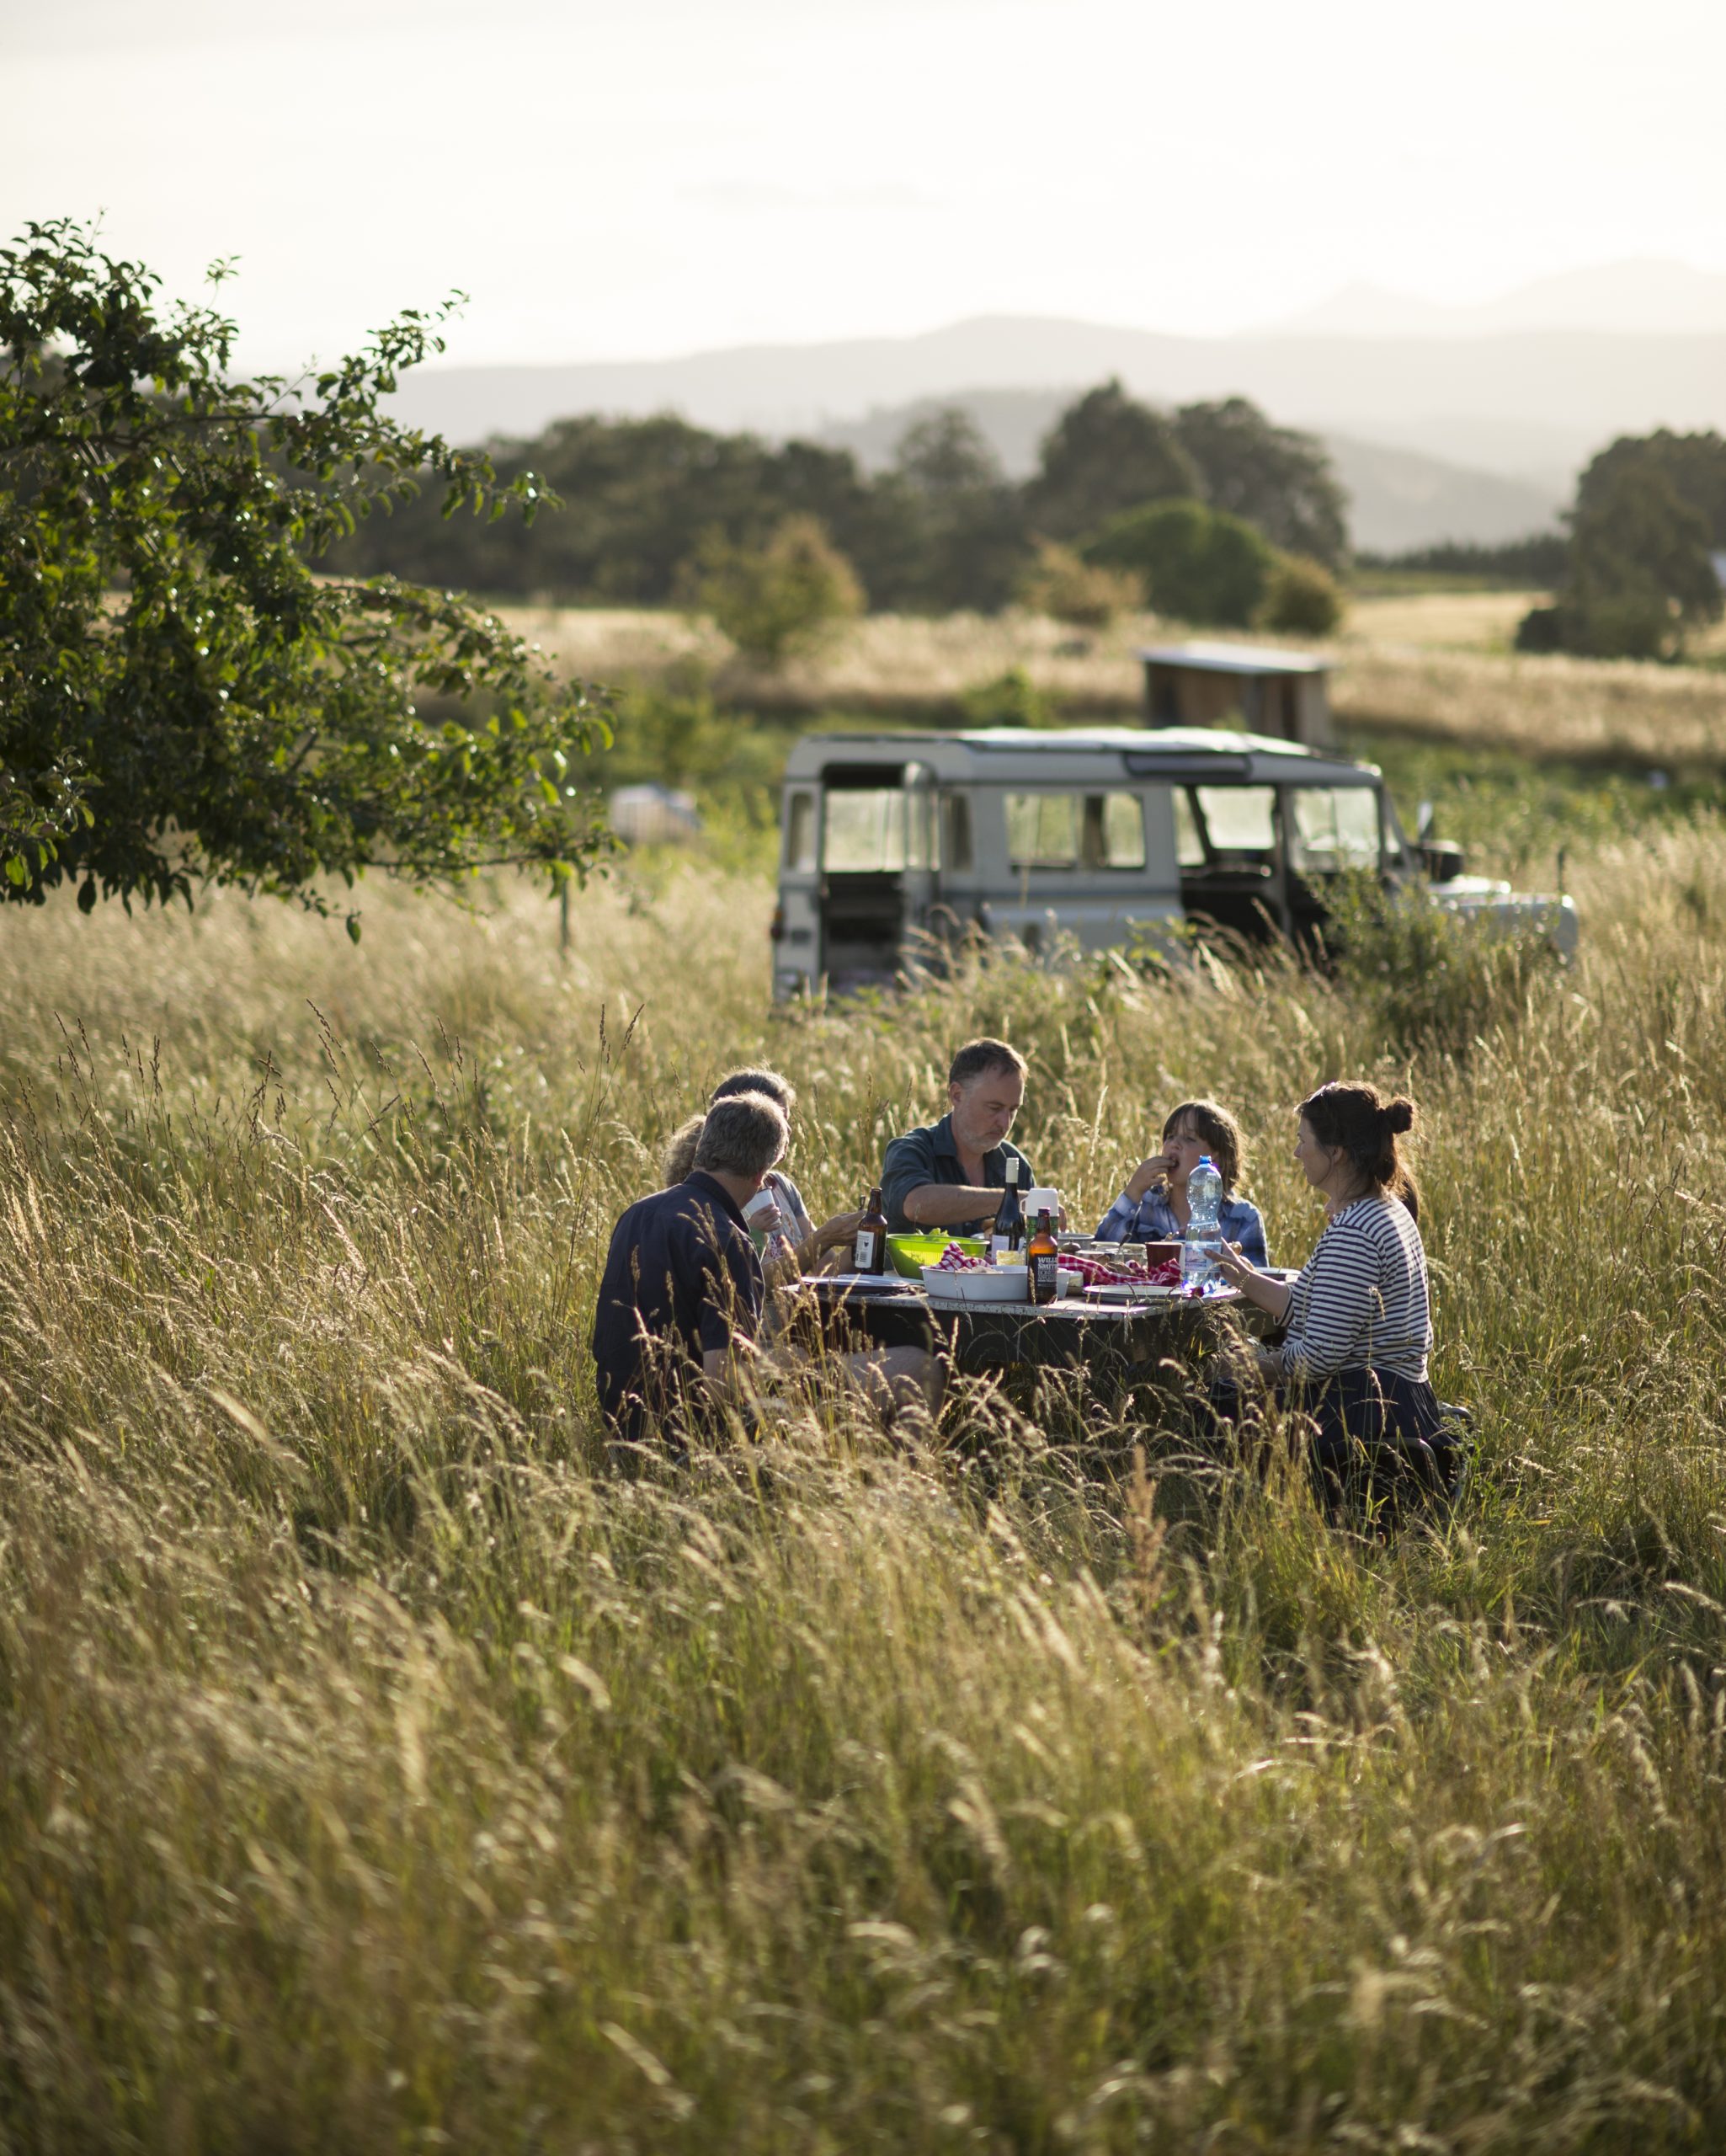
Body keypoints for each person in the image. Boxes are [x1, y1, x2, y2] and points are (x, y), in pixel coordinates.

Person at [1213, 1081, 1450, 1513]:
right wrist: (1243, 1276)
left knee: (1216, 1400)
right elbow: (1308, 1308)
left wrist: (1246, 1364)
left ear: (1336, 1151)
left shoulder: (1355, 1232)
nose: (1297, 1153)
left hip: (1363, 1414)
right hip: (1401, 1402)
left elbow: (1316, 1358)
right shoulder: (1383, 1210)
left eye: (1304, 1142)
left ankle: (1231, 1522)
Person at [593, 1091, 786, 1455]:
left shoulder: (637, 1213)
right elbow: (723, 1387)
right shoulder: (730, 1241)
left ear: (703, 1147)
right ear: (762, 1175)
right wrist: (789, 1364)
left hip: (621, 1431)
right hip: (688, 1448)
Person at [663, 1065, 861, 1278]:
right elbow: (745, 1284)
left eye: (788, 1118)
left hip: (799, 1312)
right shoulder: (717, 1193)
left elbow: (829, 1272)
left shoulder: (782, 1187)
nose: (789, 1130)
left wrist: (860, 1237)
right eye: (779, 1119)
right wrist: (823, 1238)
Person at [881, 1038, 1036, 1236]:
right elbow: (915, 1204)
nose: (1005, 1123)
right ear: (957, 1095)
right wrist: (1013, 1201)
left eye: (1013, 1110)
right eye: (994, 1108)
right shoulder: (910, 1150)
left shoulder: (1015, 1164)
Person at [1094, 1097, 1269, 1266]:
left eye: (1189, 1139)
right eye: (1170, 1136)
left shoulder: (1243, 1217)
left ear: (1216, 1156)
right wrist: (1132, 1192)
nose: (1174, 1144)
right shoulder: (1147, 1204)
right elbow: (1100, 1255)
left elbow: (1254, 1284)